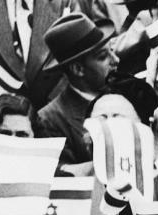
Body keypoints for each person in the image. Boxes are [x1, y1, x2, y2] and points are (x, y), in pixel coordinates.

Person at [36, 12, 119, 164]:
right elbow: (68, 181)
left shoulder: (125, 96)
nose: (116, 60)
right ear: (77, 69)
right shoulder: (50, 121)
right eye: (103, 57)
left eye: (112, 51)